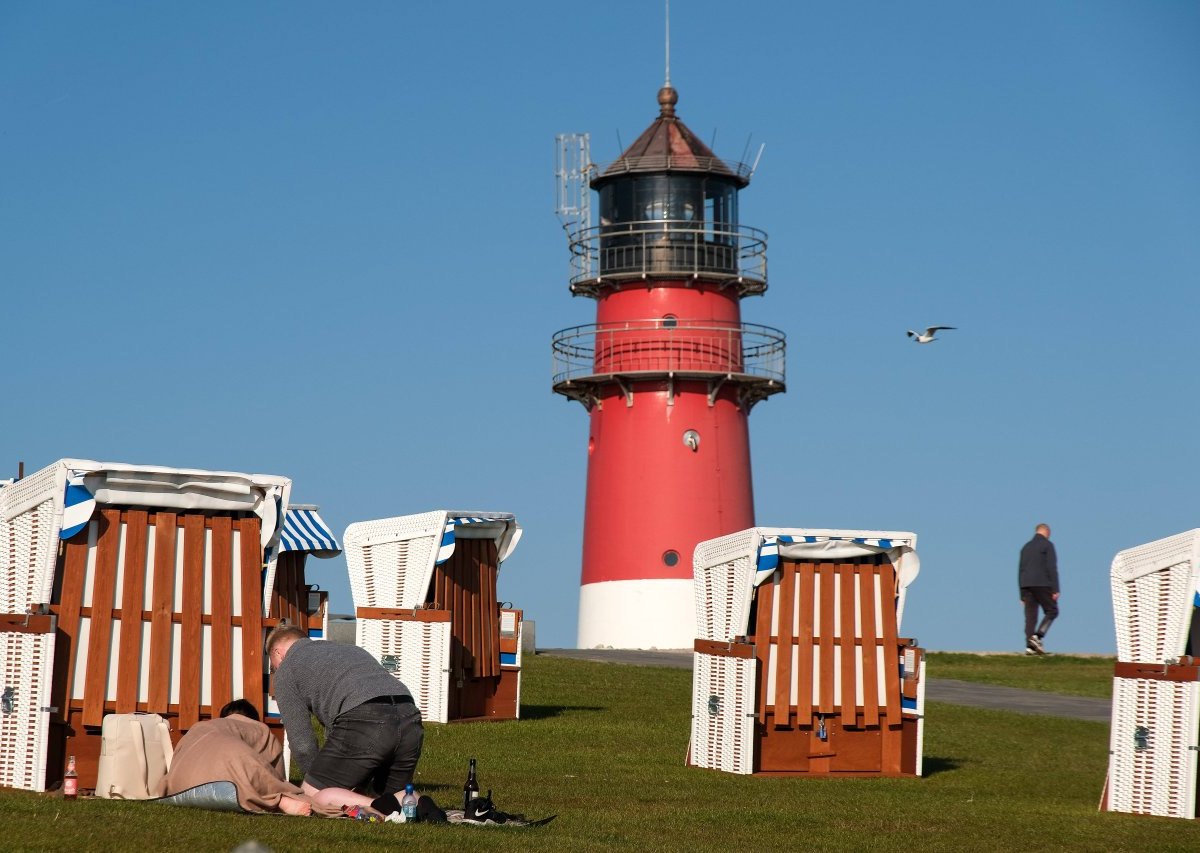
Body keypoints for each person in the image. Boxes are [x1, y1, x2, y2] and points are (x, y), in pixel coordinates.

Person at [266, 623, 424, 817]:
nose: (275, 670)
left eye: (273, 666)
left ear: (278, 652)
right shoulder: (348, 649)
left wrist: (317, 778)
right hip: (410, 718)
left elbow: (302, 744)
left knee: (313, 798)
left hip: (366, 718)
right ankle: (418, 805)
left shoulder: (287, 668)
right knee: (394, 799)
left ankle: (385, 804)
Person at [165, 699, 380, 818]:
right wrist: (287, 792)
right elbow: (276, 777)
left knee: (236, 772)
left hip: (180, 783)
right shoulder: (257, 730)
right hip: (230, 765)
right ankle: (279, 802)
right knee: (251, 775)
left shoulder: (201, 728)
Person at [1018, 523, 1060, 655]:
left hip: (1026, 584)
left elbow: (1021, 570)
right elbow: (1051, 567)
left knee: (1030, 617)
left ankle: (1029, 647)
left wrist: (1022, 594)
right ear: (1046, 532)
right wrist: (1055, 588)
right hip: (1042, 583)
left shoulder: (1025, 547)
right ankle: (1038, 636)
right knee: (1052, 610)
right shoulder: (1047, 545)